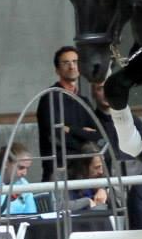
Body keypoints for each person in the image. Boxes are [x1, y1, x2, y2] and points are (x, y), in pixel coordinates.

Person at [36, 46, 101, 181]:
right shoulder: (50, 98)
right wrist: (84, 138)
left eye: (75, 62)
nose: (72, 66)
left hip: (85, 171)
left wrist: (70, 129)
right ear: (57, 70)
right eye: (66, 63)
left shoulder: (83, 100)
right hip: (60, 171)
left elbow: (98, 134)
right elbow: (55, 135)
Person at [90, 81, 142, 177]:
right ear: (93, 93)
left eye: (110, 88)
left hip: (136, 180)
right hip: (105, 183)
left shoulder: (133, 122)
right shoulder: (90, 122)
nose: (106, 93)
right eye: (100, 88)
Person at [65, 143, 110, 211]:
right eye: (96, 167)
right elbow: (60, 206)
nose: (101, 171)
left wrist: (104, 190)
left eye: (102, 167)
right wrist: (87, 201)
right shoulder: (66, 178)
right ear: (84, 167)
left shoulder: (103, 180)